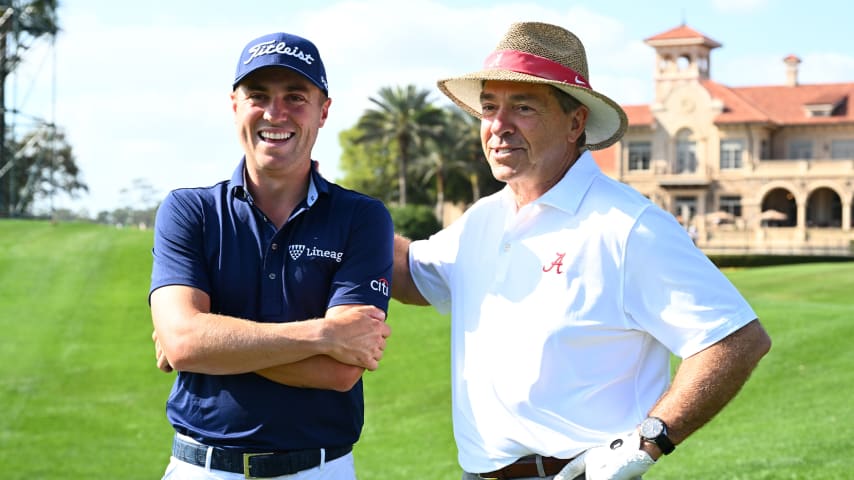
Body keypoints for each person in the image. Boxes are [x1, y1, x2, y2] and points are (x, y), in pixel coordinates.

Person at [391, 22, 771, 480]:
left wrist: (650, 440)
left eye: (523, 107)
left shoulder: (628, 225)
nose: (497, 126)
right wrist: (325, 207)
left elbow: (735, 338)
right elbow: (411, 275)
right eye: (488, 107)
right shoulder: (484, 217)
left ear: (576, 123)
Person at [149, 31, 394, 480]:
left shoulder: (363, 217)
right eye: (258, 95)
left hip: (320, 469)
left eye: (295, 97)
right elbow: (185, 342)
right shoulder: (190, 210)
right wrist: (323, 333)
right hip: (201, 468)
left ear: (324, 111)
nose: (275, 113)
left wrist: (215, 341)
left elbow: (340, 371)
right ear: (235, 106)